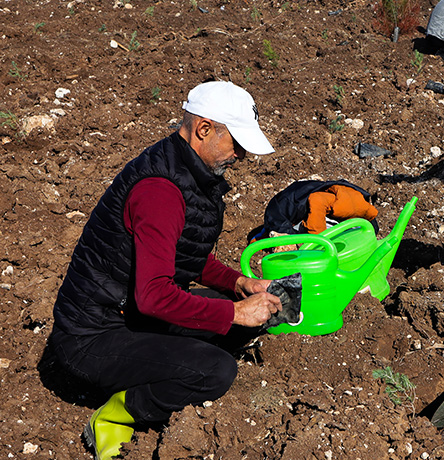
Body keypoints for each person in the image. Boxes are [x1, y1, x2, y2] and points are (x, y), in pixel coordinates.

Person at [49, 81, 284, 460]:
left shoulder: (187, 170)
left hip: (131, 311)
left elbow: (180, 254)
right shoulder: (160, 190)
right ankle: (114, 416)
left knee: (240, 317)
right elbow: (155, 294)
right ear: (204, 129)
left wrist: (239, 283)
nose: (240, 155)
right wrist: (235, 312)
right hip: (92, 336)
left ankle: (171, 358)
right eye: (236, 144)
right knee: (215, 370)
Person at [248, 179, 379, 243]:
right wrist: (317, 242)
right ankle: (265, 235)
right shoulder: (341, 205)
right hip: (286, 208)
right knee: (289, 241)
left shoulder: (364, 212)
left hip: (303, 200)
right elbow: (317, 201)